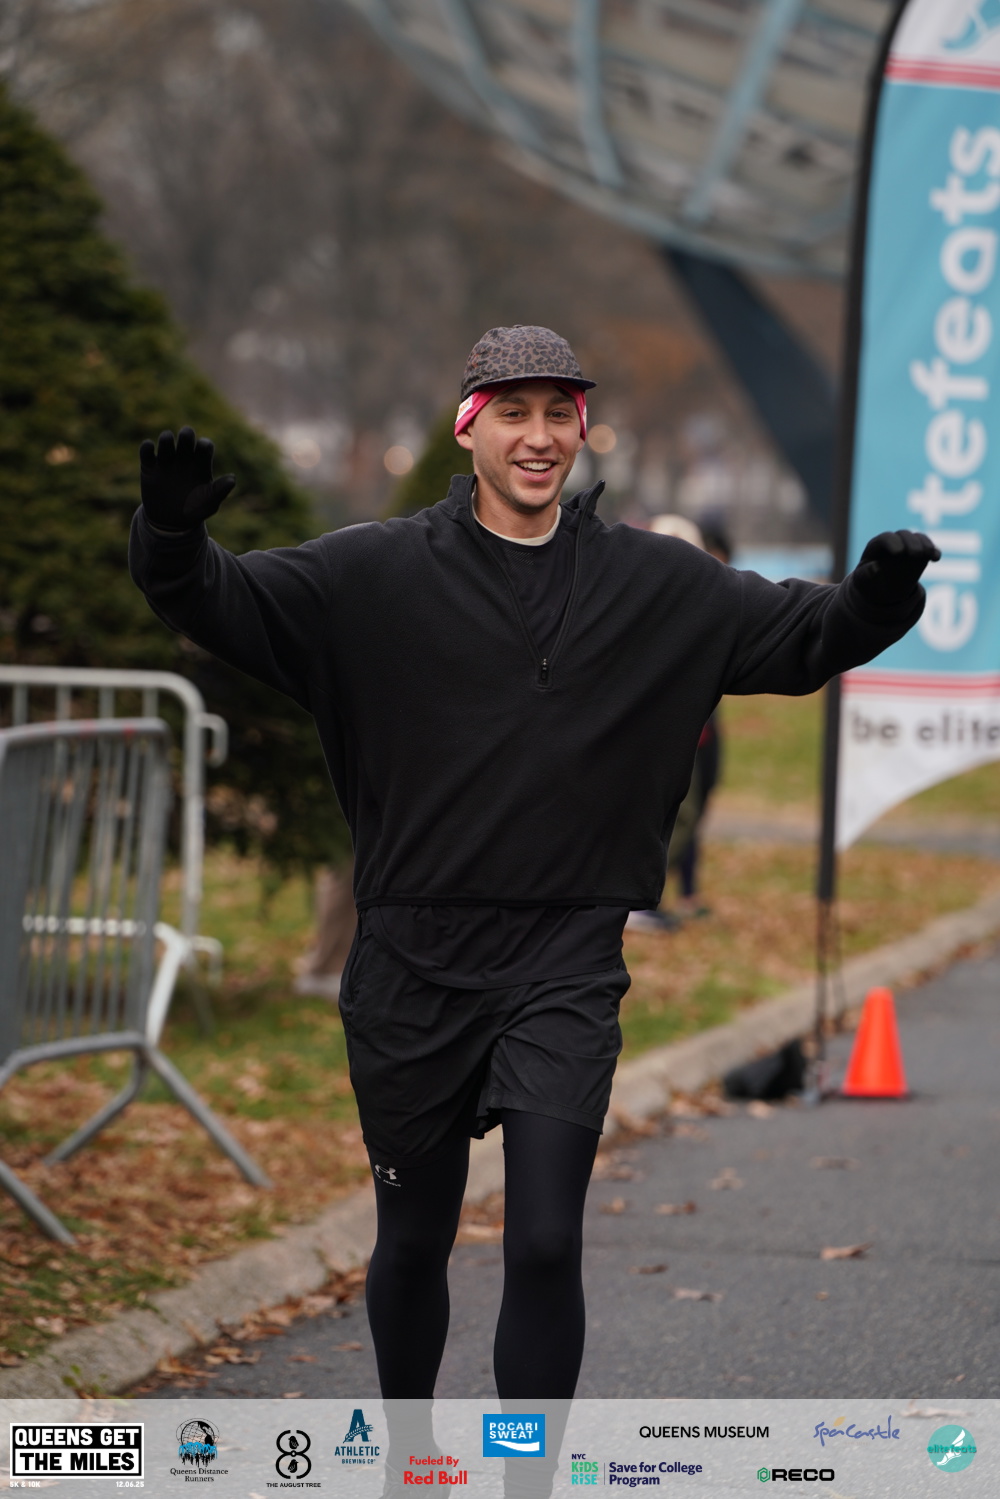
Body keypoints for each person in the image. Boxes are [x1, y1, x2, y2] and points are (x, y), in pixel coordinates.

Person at [129, 323, 939, 1399]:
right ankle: (411, 1456)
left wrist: (878, 595)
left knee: (548, 1241)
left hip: (564, 961)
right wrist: (171, 535)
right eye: (512, 412)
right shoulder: (373, 572)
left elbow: (801, 636)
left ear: (582, 429)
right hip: (412, 966)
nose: (539, 435)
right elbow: (221, 599)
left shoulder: (654, 581)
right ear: (468, 429)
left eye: (560, 413)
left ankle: (524, 1472)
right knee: (414, 1240)